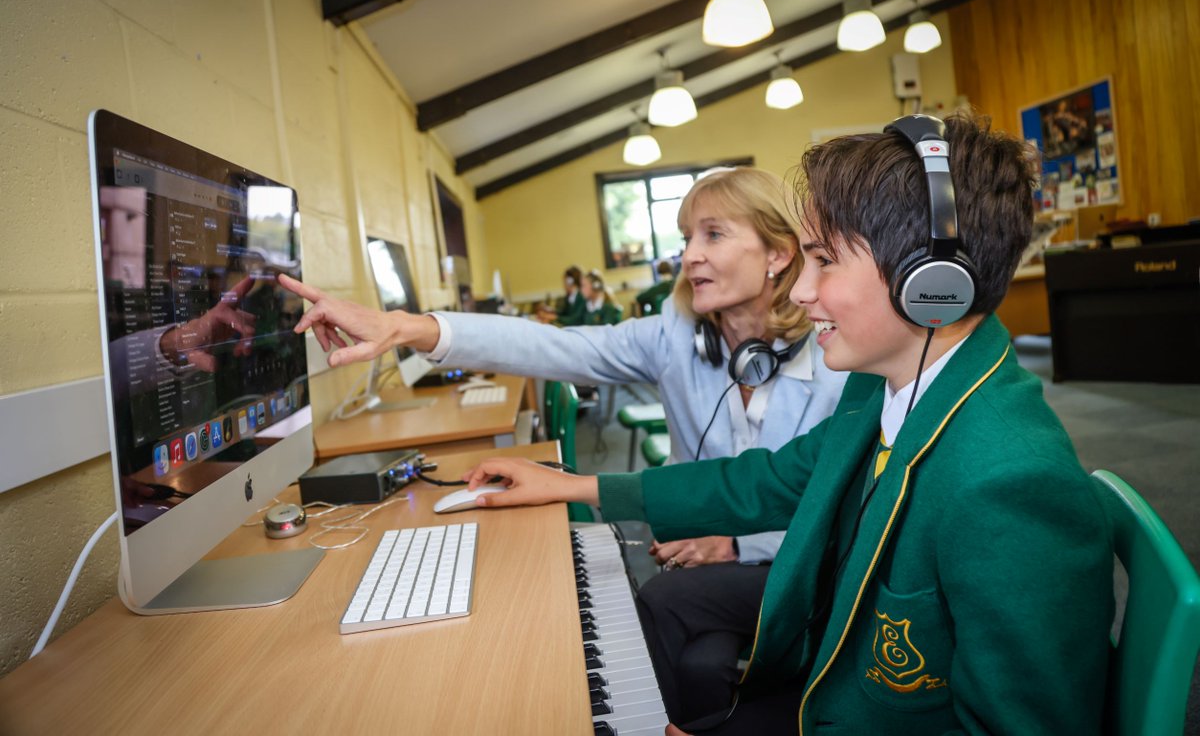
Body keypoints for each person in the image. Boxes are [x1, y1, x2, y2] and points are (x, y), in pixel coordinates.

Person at [443, 112, 1114, 734]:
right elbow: (764, 482)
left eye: (824, 260)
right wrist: (575, 489)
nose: (798, 290)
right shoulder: (882, 390)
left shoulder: (1008, 482)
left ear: (930, 281)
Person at [278, 168, 849, 713]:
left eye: (713, 235)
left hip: (800, 559)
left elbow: (835, 500)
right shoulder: (676, 336)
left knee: (684, 642)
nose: (689, 254)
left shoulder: (839, 356)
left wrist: (736, 544)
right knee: (697, 667)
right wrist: (407, 326)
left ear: (777, 253)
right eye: (686, 237)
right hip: (699, 559)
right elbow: (553, 347)